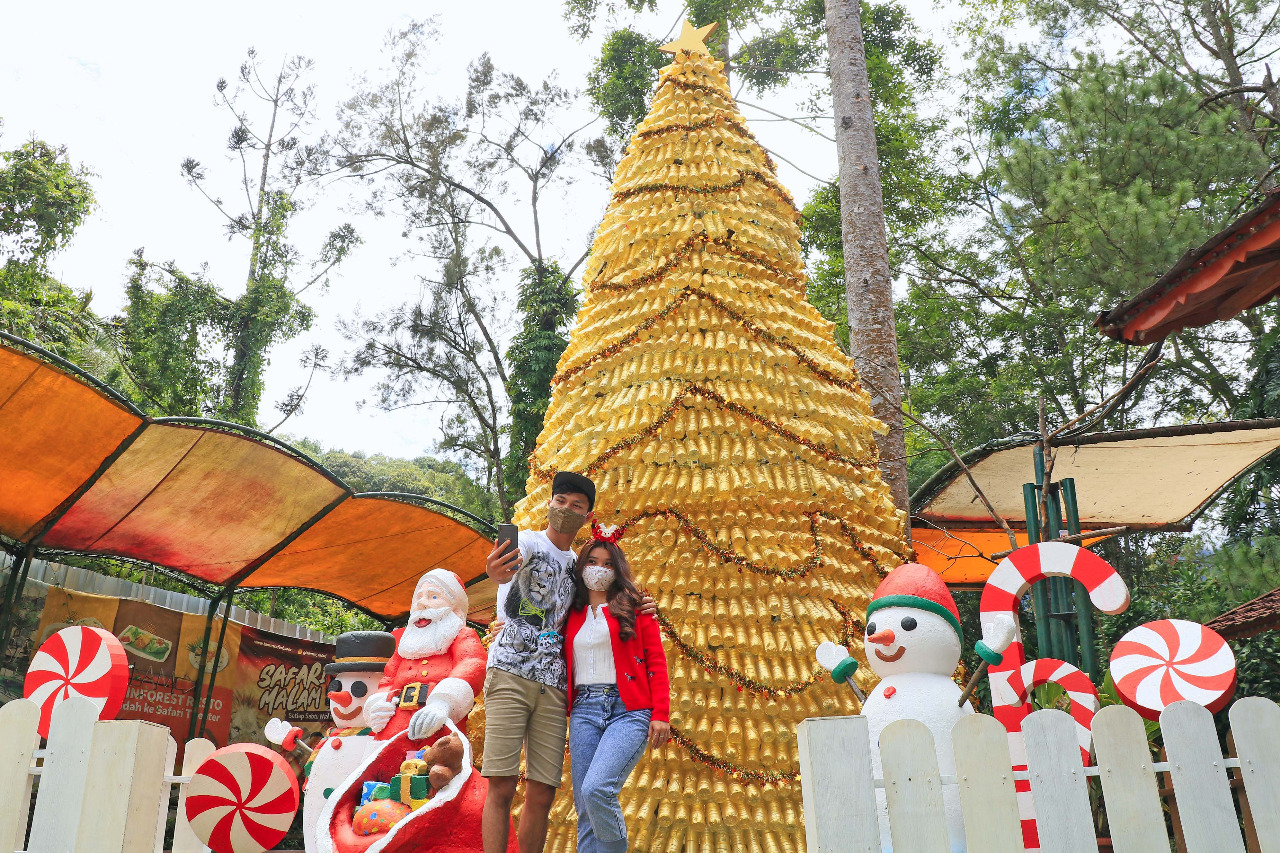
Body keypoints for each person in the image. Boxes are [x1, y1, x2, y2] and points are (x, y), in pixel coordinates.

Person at [481, 471, 656, 853]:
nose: (566, 510)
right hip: (510, 673)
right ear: (549, 503)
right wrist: (495, 571)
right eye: (561, 501)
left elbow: (604, 598)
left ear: (588, 515)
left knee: (543, 791)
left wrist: (643, 604)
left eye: (577, 506)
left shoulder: (580, 568)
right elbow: (505, 565)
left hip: (556, 687)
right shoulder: (527, 541)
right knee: (502, 783)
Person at [564, 537, 670, 853]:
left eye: (608, 564)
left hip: (629, 709)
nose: (600, 569)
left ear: (618, 569)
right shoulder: (570, 611)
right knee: (584, 805)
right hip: (584, 709)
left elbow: (656, 660)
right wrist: (506, 627)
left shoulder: (636, 607)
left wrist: (661, 714)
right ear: (582, 566)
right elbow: (533, 626)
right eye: (593, 562)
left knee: (597, 789)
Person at [362, 569, 488, 743]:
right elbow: (388, 680)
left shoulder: (462, 635)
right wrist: (378, 704)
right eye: (418, 598)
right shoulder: (406, 644)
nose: (422, 604)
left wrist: (444, 702)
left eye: (433, 597)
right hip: (395, 721)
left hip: (438, 720)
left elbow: (472, 664)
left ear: (456, 610)